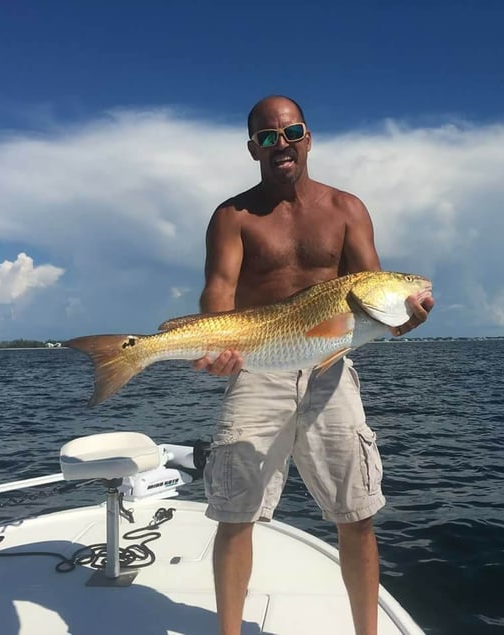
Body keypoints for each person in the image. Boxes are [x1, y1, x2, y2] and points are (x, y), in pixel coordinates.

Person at [193, 95, 433, 635]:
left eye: (291, 131)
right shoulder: (232, 216)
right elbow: (218, 293)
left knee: (357, 513)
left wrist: (402, 317)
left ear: (309, 136)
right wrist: (219, 346)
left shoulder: (347, 209)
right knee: (235, 515)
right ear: (252, 147)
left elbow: (372, 288)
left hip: (331, 371)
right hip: (256, 367)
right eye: (268, 136)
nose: (282, 144)